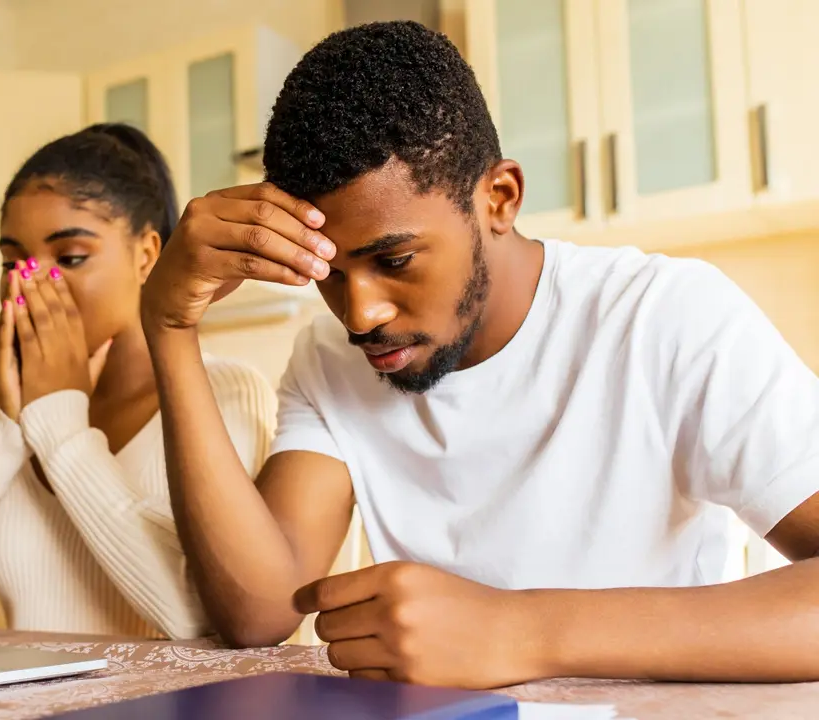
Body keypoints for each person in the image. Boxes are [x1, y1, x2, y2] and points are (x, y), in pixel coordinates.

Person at [141, 21, 819, 687]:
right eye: (331, 273)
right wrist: (169, 324)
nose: (360, 313)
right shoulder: (328, 357)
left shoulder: (665, 315)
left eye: (395, 259)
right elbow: (258, 612)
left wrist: (521, 631)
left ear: (500, 198)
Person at [0, 123, 276, 640]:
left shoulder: (229, 392)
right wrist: (13, 427)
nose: (31, 282)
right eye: (12, 261)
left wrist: (59, 422)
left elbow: (204, 618)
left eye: (70, 258)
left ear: (147, 254)